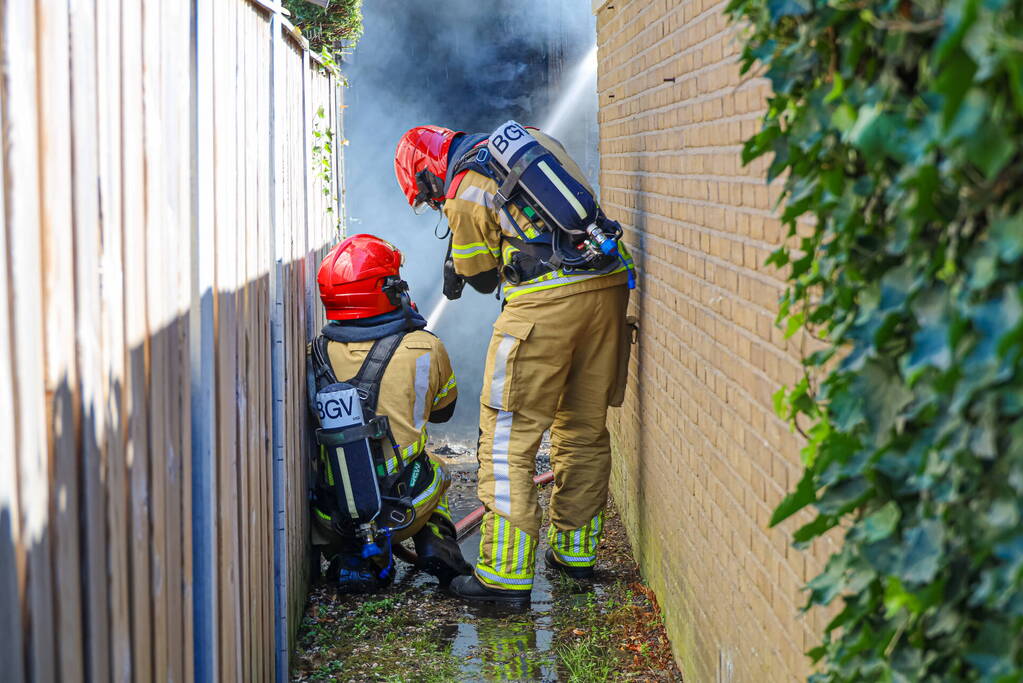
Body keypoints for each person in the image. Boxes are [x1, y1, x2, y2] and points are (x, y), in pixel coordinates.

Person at [394, 122, 637, 605]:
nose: (432, 204)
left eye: (427, 197)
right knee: (584, 429)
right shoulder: (534, 140)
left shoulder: (463, 190)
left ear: (428, 175)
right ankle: (575, 554)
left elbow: (483, 278)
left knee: (506, 438)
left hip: (544, 309)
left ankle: (503, 578)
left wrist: (459, 261)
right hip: (609, 288)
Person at [308, 233, 471, 593]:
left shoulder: (316, 352)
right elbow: (444, 411)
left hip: (331, 514)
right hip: (407, 506)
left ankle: (362, 561)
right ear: (386, 290)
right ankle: (435, 538)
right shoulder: (424, 347)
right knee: (437, 468)